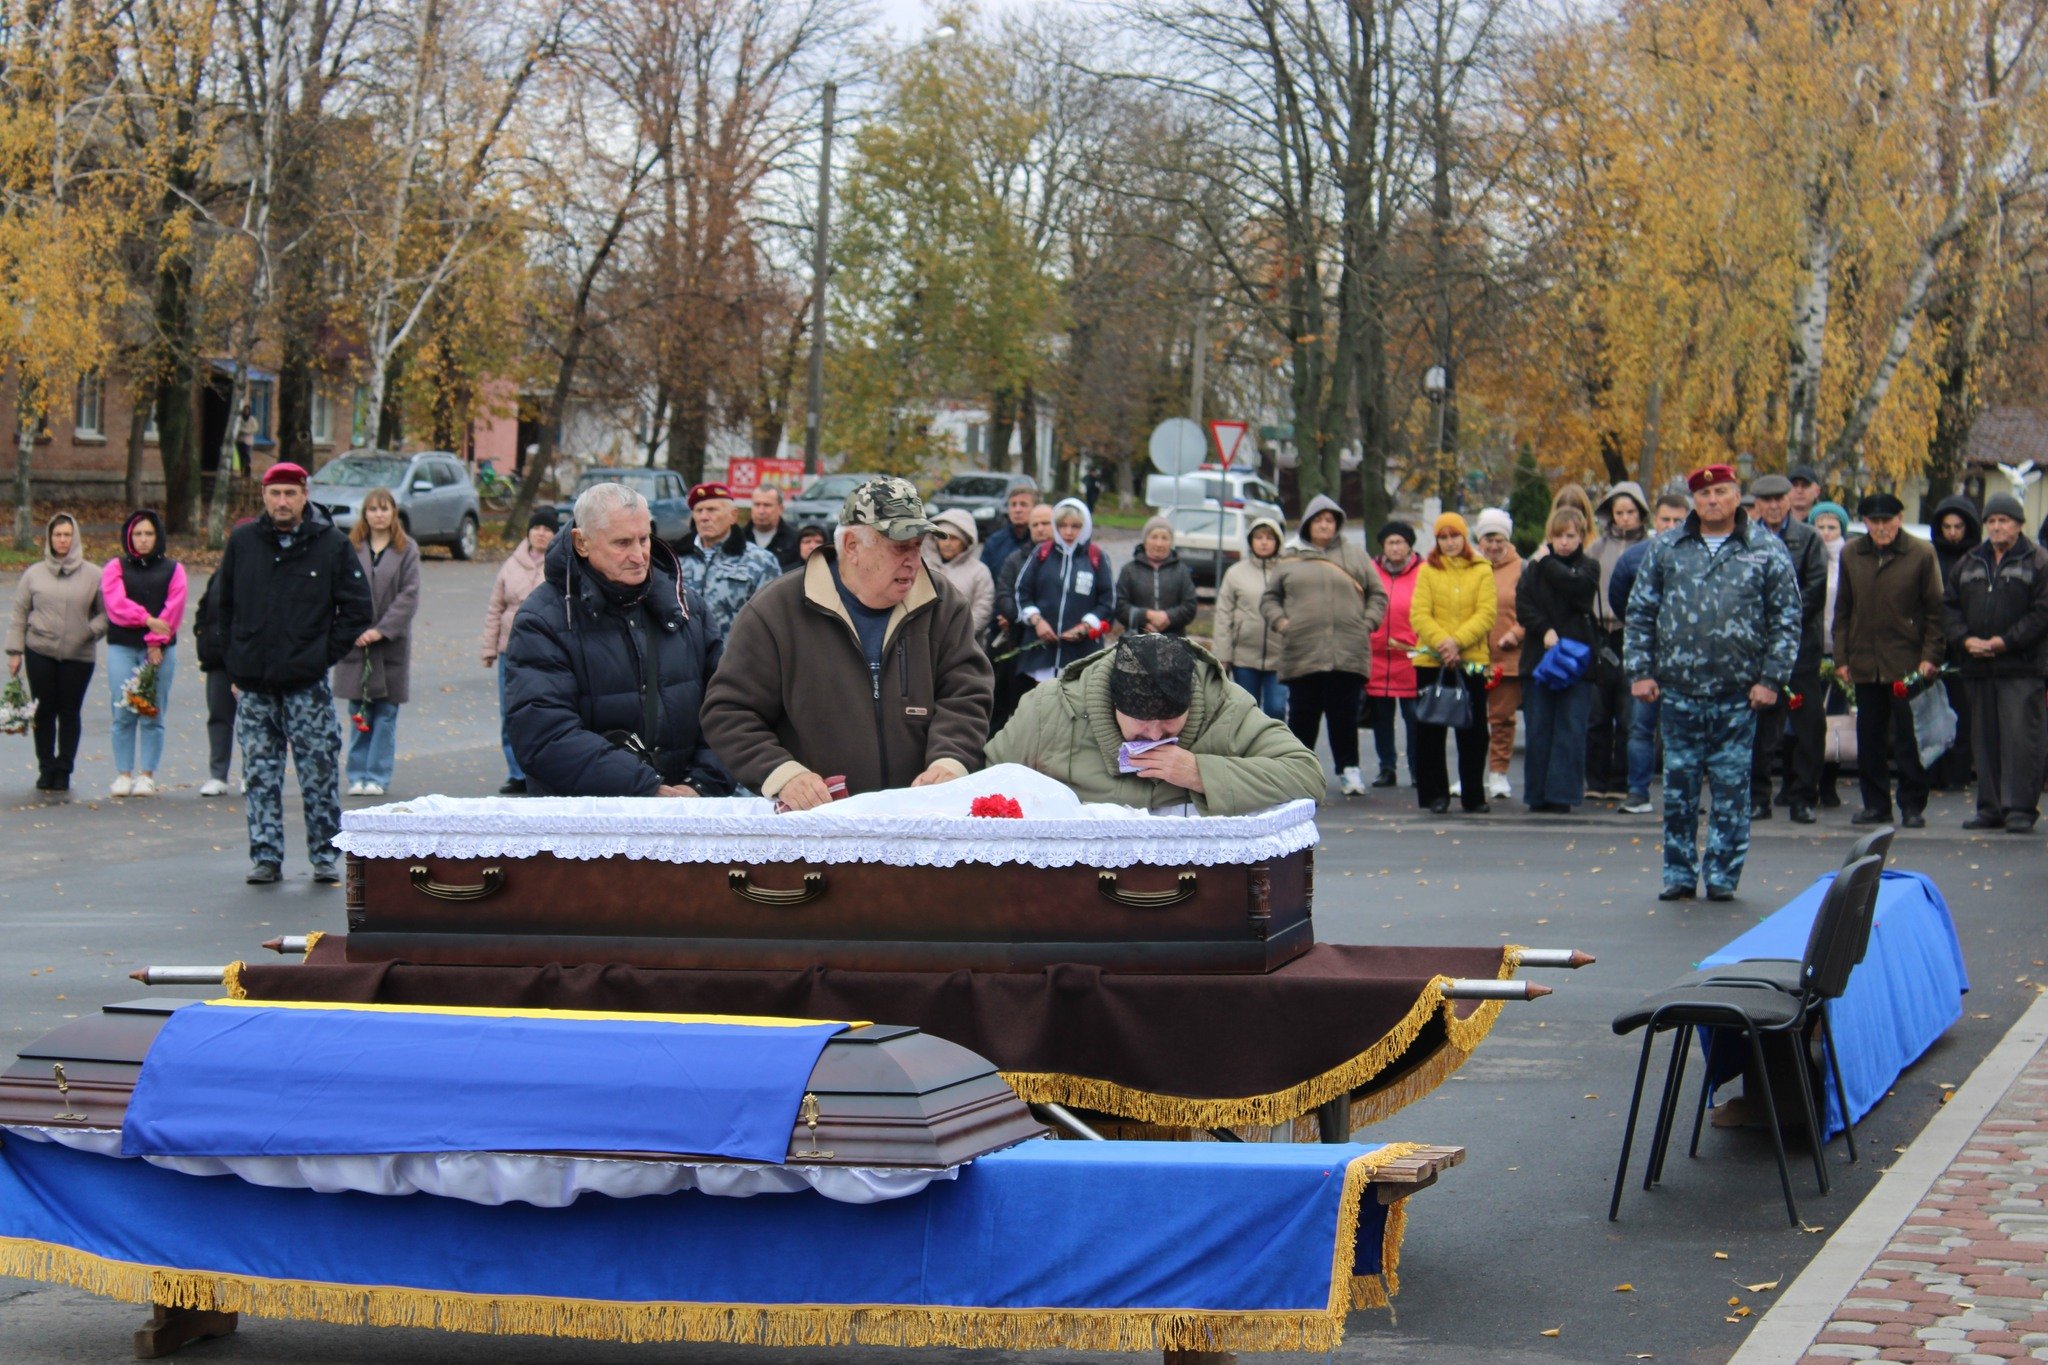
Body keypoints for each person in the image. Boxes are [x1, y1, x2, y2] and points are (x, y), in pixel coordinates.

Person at [702, 476, 993, 806]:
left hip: (919, 823)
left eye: (918, 544)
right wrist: (783, 774)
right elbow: (729, 712)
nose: (914, 560)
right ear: (852, 546)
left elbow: (966, 695)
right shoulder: (776, 611)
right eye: (900, 546)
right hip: (816, 830)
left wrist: (949, 763)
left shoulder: (943, 604)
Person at [1625, 465, 1798, 901]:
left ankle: (1722, 875)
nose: (1713, 501)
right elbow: (1642, 611)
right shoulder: (1668, 547)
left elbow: (1786, 618)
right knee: (1679, 788)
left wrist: (1771, 679)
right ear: (1693, 501)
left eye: (1721, 492)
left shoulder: (1764, 549)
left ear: (1738, 496)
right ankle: (1679, 873)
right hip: (1679, 691)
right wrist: (1640, 671)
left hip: (1739, 694)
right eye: (1704, 494)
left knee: (1731, 789)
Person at [503, 483, 729, 797]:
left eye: (643, 538)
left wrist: (700, 786)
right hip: (586, 830)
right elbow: (545, 735)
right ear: (581, 542)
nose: (638, 556)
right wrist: (648, 788)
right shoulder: (542, 620)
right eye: (622, 543)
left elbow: (728, 708)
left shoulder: (687, 607)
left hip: (687, 816)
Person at [212, 462, 372, 883]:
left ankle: (324, 854)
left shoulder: (331, 544)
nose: (282, 502)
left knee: (318, 770)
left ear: (304, 495)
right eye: (275, 493)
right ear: (263, 496)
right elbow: (220, 606)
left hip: (306, 684)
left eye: (290, 493)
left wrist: (321, 654)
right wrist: (233, 658)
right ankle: (265, 856)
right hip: (254, 685)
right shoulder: (244, 542)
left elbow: (357, 609)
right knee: (259, 774)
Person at [985, 633, 1324, 814]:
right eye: (1141, 722)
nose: (1155, 735)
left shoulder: (1227, 706)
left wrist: (1200, 773)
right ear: (1112, 703)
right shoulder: (1049, 709)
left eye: (1170, 720)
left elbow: (1307, 775)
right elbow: (985, 783)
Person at [1260, 494, 1387, 796]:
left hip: (1347, 652)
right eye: (1319, 520)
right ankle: (1300, 775)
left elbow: (1377, 594)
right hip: (1303, 652)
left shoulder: (1355, 555)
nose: (1325, 525)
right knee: (1304, 716)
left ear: (1338, 524)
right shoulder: (1290, 557)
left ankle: (1349, 770)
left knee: (1344, 716)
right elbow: (1269, 599)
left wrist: (1366, 623)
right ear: (1308, 524)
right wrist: (1282, 623)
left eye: (1330, 520)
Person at [1834, 491, 1947, 829]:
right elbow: (1843, 610)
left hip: (1907, 662)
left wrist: (1931, 657)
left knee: (1909, 738)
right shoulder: (1852, 553)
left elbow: (1935, 612)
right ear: (1864, 523)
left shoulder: (1921, 554)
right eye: (1873, 521)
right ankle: (1876, 805)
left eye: (1887, 520)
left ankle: (1913, 804)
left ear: (1899, 519)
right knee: (1870, 737)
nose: (1881, 527)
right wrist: (1842, 657)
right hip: (1866, 661)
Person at [1942, 494, 2048, 833]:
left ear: (2019, 525)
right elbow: (1949, 606)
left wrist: (2007, 641)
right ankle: (1989, 807)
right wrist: (1964, 639)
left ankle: (2019, 808)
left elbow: (2042, 612)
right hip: (1977, 665)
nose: (1997, 526)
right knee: (1983, 740)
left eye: (2004, 520)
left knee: (2020, 740)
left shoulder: (2038, 561)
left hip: (2021, 665)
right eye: (1992, 521)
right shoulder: (1970, 561)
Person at [6, 513, 106, 792]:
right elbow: (19, 613)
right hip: (40, 650)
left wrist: (89, 631)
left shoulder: (94, 574)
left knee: (69, 711)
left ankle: (64, 769)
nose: (62, 540)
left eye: (67, 535)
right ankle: (46, 766)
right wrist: (15, 651)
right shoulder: (33, 574)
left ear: (75, 538)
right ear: (49, 538)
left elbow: (106, 614)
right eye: (57, 535)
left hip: (78, 655)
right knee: (44, 711)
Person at [1748, 474, 1827, 825]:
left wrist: (1782, 617)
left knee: (1808, 725)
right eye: (1766, 501)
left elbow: (1816, 588)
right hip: (1757, 647)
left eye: (1779, 498)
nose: (1774, 506)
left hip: (1800, 646)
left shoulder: (1808, 538)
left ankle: (1804, 797)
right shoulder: (1746, 538)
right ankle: (1757, 798)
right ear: (1756, 505)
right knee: (1760, 728)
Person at [332, 487, 420, 797]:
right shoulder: (350, 547)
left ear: (394, 513)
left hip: (389, 644)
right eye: (373, 509)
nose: (379, 514)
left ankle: (377, 775)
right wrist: (351, 628)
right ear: (365, 514)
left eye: (385, 509)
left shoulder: (406, 549)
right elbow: (338, 591)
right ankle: (357, 774)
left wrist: (382, 630)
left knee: (385, 714)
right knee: (359, 712)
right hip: (356, 643)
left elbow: (409, 595)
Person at [1410, 513, 1497, 814]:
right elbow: (1419, 614)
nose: (1449, 543)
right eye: (1443, 538)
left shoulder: (1482, 569)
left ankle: (1473, 794)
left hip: (1470, 659)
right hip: (1432, 660)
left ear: (1464, 537)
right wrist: (1443, 644)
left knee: (1473, 731)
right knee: (1430, 728)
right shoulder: (1427, 570)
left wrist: (1457, 641)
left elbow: (1486, 613)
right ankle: (1435, 794)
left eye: (1454, 536)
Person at [1610, 494, 1690, 815]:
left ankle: (1682, 795)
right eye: (1665, 520)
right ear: (1654, 521)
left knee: (1682, 731)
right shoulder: (1635, 557)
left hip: (1686, 658)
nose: (1670, 526)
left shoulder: (1699, 556)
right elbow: (1620, 600)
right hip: (1648, 655)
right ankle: (1638, 791)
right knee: (1641, 726)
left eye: (1677, 520)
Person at [1517, 507, 1600, 812]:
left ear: (1581, 537)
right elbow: (1523, 605)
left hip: (1577, 661)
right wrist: (1544, 630)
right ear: (1549, 536)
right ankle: (1537, 794)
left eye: (1570, 536)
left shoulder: (1588, 568)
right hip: (1539, 658)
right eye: (1558, 536)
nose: (1564, 542)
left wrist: (1547, 560)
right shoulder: (1532, 571)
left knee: (1571, 730)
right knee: (1539, 729)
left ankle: (1563, 795)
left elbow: (1577, 589)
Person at [101, 511, 187, 798]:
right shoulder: (115, 567)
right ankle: (123, 773)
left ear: (158, 536)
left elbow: (173, 610)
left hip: (160, 651)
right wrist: (148, 621)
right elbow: (116, 606)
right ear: (129, 536)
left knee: (152, 712)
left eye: (149, 533)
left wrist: (155, 641)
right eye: (138, 534)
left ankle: (147, 775)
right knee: (123, 710)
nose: (143, 539)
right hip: (122, 646)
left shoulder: (174, 569)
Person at [481, 507, 556, 794]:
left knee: (539, 711)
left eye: (548, 529)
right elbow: (494, 608)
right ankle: (516, 772)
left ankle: (538, 769)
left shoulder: (558, 564)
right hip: (509, 649)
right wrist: (489, 648)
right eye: (537, 527)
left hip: (543, 650)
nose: (541, 533)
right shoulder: (511, 564)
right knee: (510, 712)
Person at [1586, 481, 1649, 799]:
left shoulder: (1649, 549)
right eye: (1619, 512)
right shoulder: (1597, 548)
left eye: (1630, 512)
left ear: (1641, 515)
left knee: (1628, 712)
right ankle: (1595, 781)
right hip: (1600, 632)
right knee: (1597, 712)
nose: (1624, 518)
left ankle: (1620, 780)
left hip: (1630, 631)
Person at [1012, 498, 1115, 683]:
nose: (1068, 532)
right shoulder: (1042, 553)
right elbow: (1022, 592)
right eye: (1062, 525)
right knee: (1042, 704)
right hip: (1042, 652)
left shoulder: (1096, 556)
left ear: (1084, 527)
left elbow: (1107, 602)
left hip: (1082, 652)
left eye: (1075, 526)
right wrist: (1037, 621)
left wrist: (1086, 626)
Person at [1928, 494, 1983, 793]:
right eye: (1947, 526)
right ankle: (1932, 769)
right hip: (1933, 643)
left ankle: (1957, 772)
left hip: (1965, 644)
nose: (1952, 532)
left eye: (1958, 526)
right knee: (1931, 710)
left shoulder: (1977, 557)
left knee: (1962, 712)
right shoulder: (1929, 554)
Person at [676, 482, 780, 639]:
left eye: (712, 510)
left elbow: (771, 618)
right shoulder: (675, 559)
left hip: (732, 657)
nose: (704, 517)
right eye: (699, 511)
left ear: (733, 515)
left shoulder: (760, 562)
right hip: (686, 656)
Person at [988, 501, 1057, 731]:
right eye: (1035, 524)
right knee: (1015, 710)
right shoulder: (1016, 559)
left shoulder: (1072, 560)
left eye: (1046, 523)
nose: (1040, 528)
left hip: (1060, 644)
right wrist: (1024, 617)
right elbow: (1005, 595)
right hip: (1020, 643)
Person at [1364, 520, 1422, 788]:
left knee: (1414, 718)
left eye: (1400, 542)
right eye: (1391, 542)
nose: (1396, 547)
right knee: (1382, 719)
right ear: (1383, 546)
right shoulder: (1370, 571)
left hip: (1410, 657)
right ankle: (1386, 767)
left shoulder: (1423, 572)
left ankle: (1417, 767)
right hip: (1377, 656)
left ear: (1409, 545)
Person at [1213, 514, 1287, 720]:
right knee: (1246, 711)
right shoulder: (1235, 573)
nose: (1264, 542)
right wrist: (1222, 655)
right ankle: (1249, 751)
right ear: (1251, 541)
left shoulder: (1286, 573)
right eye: (1259, 537)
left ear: (1278, 542)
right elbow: (1223, 614)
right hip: (1244, 656)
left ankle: (1275, 750)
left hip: (1280, 656)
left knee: (1276, 708)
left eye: (1269, 538)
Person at [1474, 508, 1523, 802]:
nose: (1493, 546)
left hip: (1507, 656)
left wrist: (1516, 634)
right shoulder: (1470, 567)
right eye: (1488, 539)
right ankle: (1473, 774)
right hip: (1473, 657)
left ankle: (1498, 773)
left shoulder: (1521, 568)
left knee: (1502, 719)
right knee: (1472, 721)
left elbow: (1530, 609)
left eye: (1499, 539)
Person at [1809, 500, 1852, 808]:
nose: (1825, 532)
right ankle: (1804, 781)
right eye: (1820, 526)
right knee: (1807, 718)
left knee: (1836, 721)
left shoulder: (1849, 560)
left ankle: (1829, 782)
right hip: (1810, 649)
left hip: (1838, 651)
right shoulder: (1808, 556)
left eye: (1831, 527)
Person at [1115, 516, 1198, 637]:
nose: (1159, 543)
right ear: (1145, 541)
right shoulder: (1129, 570)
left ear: (1171, 542)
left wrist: (1168, 618)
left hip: (1174, 642)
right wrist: (1146, 616)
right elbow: (1120, 606)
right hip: (1136, 641)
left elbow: (1190, 606)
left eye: (1165, 538)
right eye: (1154, 537)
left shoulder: (1181, 571)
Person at [922, 508, 995, 640]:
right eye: (942, 537)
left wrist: (957, 634)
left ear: (966, 541)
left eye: (954, 538)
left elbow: (983, 609)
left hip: (963, 645)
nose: (947, 543)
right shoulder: (922, 566)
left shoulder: (979, 572)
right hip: (924, 643)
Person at [980, 483, 1039, 572]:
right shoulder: (995, 542)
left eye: (1023, 504)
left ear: (1035, 508)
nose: (1017, 510)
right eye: (1013, 505)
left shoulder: (1041, 541)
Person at [747, 486, 804, 572]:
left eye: (767, 505)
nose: (761, 511)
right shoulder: (738, 538)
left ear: (780, 509)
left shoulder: (796, 540)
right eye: (757, 505)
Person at [233, 406, 256, 476]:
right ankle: (242, 470)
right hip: (240, 440)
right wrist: (241, 431)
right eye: (245, 410)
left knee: (247, 454)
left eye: (247, 410)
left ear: (249, 411)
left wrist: (248, 431)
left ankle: (247, 468)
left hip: (248, 441)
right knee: (241, 456)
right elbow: (236, 427)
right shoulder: (239, 419)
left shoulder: (252, 419)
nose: (246, 412)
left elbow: (255, 428)